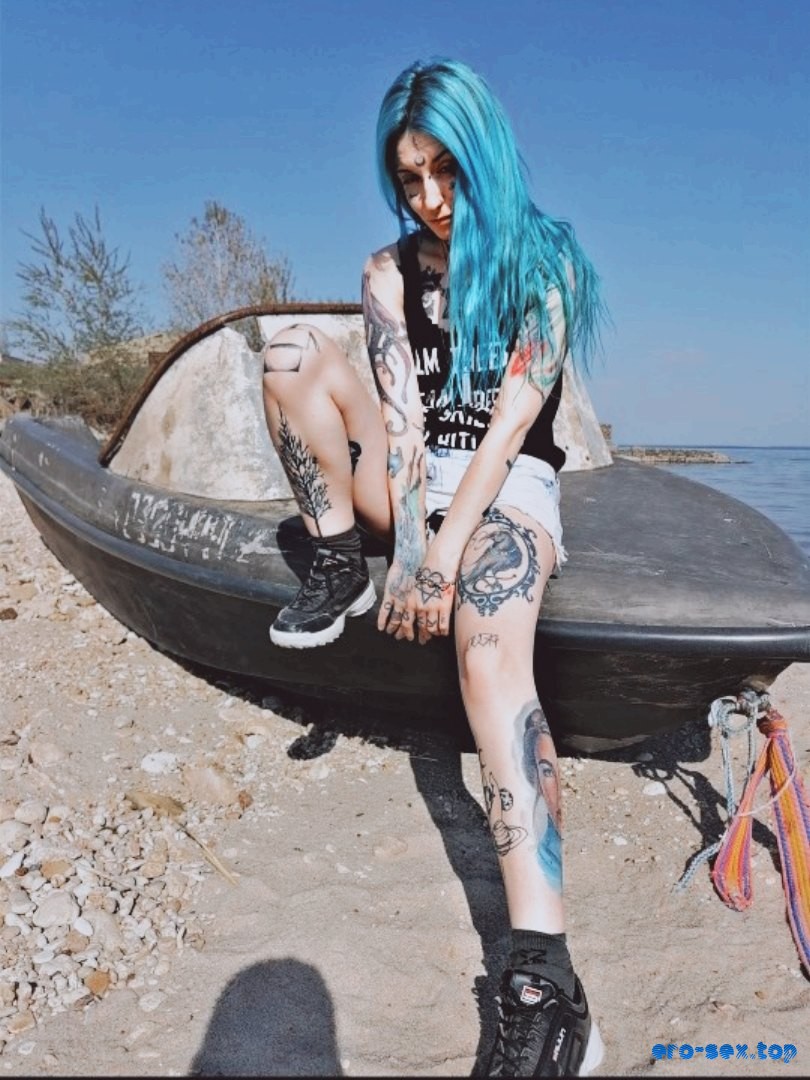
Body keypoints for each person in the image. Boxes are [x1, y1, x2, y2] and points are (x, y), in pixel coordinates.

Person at [261, 57, 605, 1077]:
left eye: (446, 170)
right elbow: (404, 424)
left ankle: (545, 975)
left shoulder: (547, 260)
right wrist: (407, 550)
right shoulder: (388, 272)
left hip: (508, 488)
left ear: (483, 156)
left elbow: (509, 433)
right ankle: (335, 561)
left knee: (490, 661)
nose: (429, 198)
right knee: (287, 352)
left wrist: (449, 553)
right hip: (412, 485)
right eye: (409, 178)